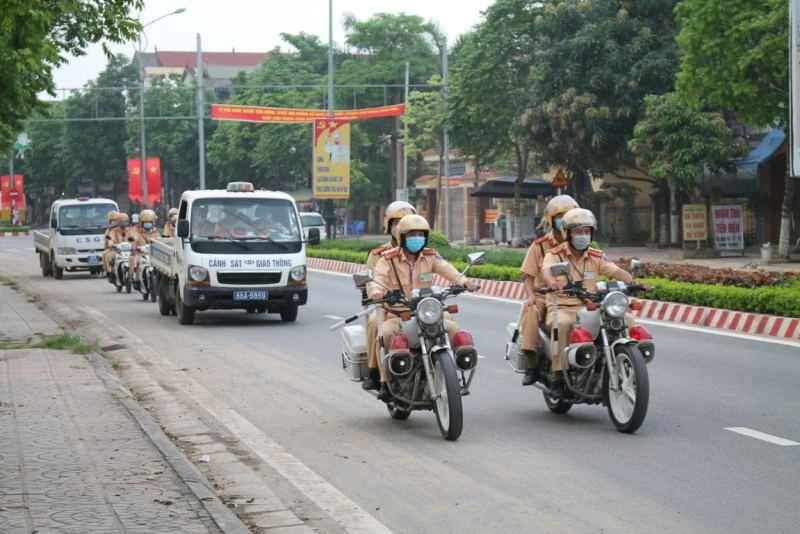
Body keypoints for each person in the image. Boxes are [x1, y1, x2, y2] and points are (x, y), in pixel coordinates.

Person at [367, 214, 479, 400]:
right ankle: (384, 381)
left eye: (420, 234)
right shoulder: (388, 259)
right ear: (402, 237)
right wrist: (377, 290)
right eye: (411, 234)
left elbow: (448, 270)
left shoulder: (430, 256)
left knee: (454, 329)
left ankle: (454, 376)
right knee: (384, 334)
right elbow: (378, 277)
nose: (416, 238)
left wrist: (465, 281)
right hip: (398, 313)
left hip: (427, 312)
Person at [541, 208, 635, 397]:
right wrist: (552, 283)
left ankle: (625, 363)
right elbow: (547, 270)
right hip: (563, 306)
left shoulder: (596, 255)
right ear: (567, 233)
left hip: (592, 306)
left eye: (586, 232)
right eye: (578, 232)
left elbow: (615, 271)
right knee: (563, 325)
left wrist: (632, 282)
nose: (583, 236)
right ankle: (558, 375)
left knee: (627, 319)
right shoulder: (555, 254)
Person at [517, 195, 578, 386]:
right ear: (551, 219)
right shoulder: (540, 246)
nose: (565, 219)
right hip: (545, 295)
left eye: (569, 215)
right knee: (530, 313)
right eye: (561, 216)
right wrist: (531, 296)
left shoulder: (583, 243)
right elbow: (528, 275)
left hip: (576, 295)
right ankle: (532, 364)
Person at [361, 200, 416, 391]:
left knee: (446, 322)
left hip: (418, 306)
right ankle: (374, 371)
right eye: (397, 223)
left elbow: (442, 268)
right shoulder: (379, 255)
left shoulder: (421, 251)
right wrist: (379, 294)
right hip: (387, 306)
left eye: (406, 222)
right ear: (389, 225)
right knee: (373, 323)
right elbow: (371, 282)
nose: (401, 227)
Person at [129, 209, 160, 290]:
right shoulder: (137, 230)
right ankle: (137, 280)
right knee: (138, 261)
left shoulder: (155, 231)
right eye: (146, 222)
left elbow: (159, 240)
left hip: (153, 254)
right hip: (140, 253)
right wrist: (136, 242)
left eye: (150, 222)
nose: (148, 224)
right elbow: (134, 237)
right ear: (141, 222)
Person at [103, 212, 129, 282]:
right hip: (116, 249)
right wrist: (111, 244)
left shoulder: (129, 230)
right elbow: (110, 239)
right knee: (107, 255)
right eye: (112, 221)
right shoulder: (112, 231)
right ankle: (109, 272)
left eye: (116, 221)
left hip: (127, 250)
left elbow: (133, 238)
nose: (114, 222)